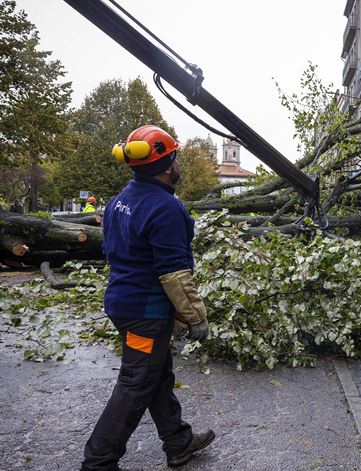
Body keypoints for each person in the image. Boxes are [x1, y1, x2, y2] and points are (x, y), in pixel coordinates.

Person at [82, 125, 215, 470]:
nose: (178, 162)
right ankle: (99, 460)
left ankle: (178, 442)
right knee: (136, 382)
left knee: (156, 375)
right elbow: (174, 274)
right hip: (145, 313)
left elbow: (112, 252)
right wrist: (197, 317)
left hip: (122, 303)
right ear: (168, 162)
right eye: (176, 156)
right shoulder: (166, 208)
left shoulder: (118, 201)